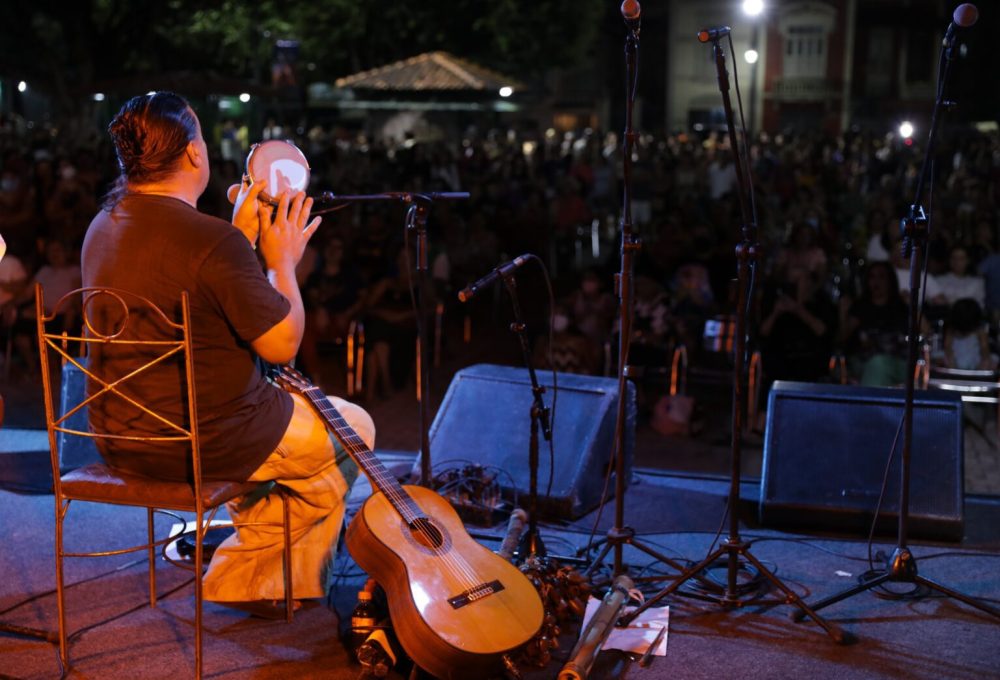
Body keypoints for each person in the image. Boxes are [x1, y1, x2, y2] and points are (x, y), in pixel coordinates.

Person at [81, 92, 374, 615]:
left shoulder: (103, 225)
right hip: (204, 442)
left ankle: (261, 570)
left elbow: (190, 282)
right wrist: (283, 263)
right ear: (194, 153)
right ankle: (252, 578)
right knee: (356, 429)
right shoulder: (211, 241)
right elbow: (282, 346)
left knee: (301, 442)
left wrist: (238, 238)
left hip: (117, 435)